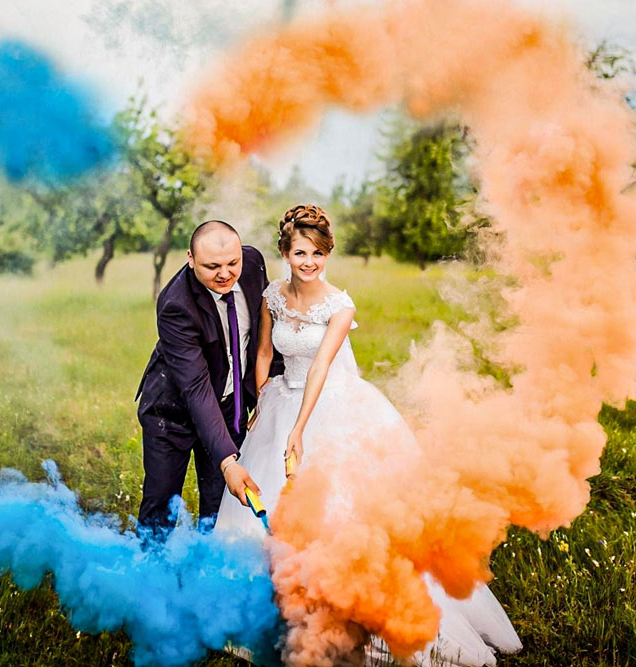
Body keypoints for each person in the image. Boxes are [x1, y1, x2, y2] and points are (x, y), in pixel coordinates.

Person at [215, 204, 522, 666]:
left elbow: (319, 368)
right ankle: (267, 616)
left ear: (327, 254)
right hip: (282, 400)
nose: (309, 262)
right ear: (285, 253)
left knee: (336, 509)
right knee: (268, 506)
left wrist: (298, 428)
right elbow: (263, 353)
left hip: (328, 405)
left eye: (318, 253)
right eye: (300, 253)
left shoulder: (340, 305)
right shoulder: (272, 296)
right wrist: (263, 400)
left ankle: (358, 614)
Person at [135, 220, 279, 536]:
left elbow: (266, 332)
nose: (225, 274)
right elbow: (196, 388)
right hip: (172, 414)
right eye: (212, 266)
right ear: (191, 258)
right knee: (161, 506)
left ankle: (210, 563)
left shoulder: (252, 264)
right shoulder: (175, 305)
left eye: (232, 263)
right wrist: (227, 461)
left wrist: (270, 392)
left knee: (220, 506)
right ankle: (150, 564)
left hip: (228, 407)